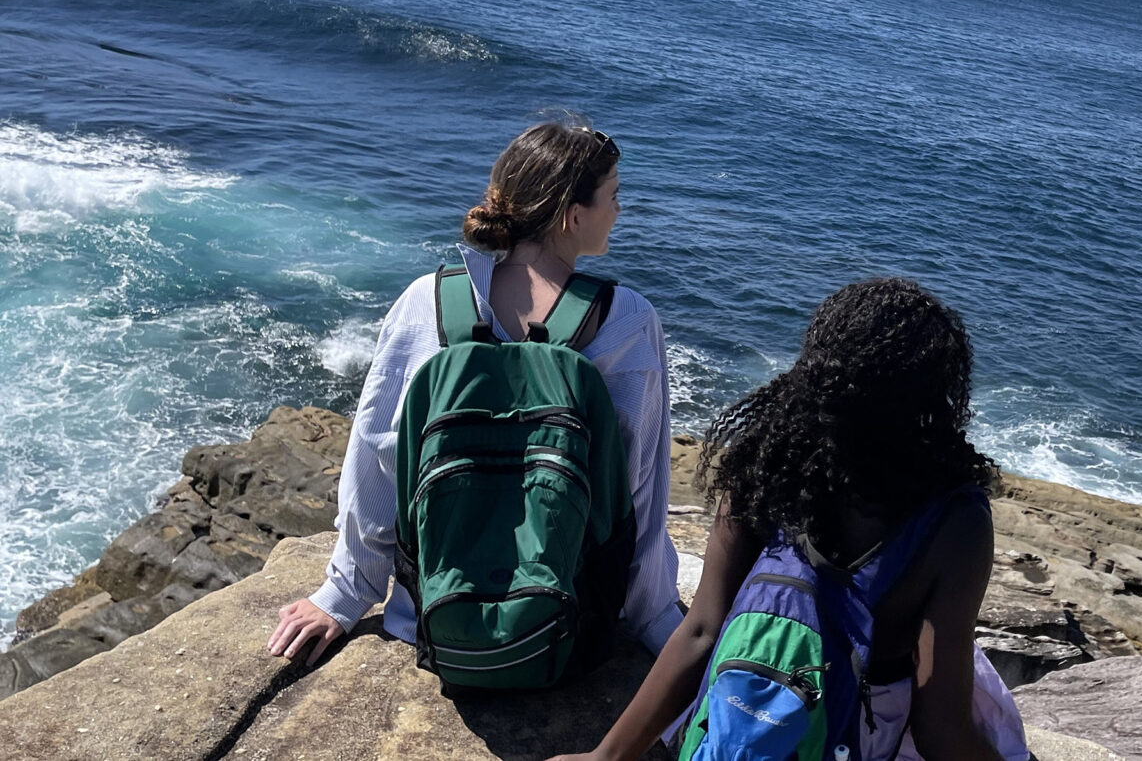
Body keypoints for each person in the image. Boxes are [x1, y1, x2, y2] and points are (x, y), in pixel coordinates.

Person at [548, 278, 1029, 761]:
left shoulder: (767, 465)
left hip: (748, 710)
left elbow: (700, 632)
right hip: (859, 731)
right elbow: (939, 731)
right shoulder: (955, 520)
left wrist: (605, 756)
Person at [268, 118, 682, 667]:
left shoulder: (426, 302)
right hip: (572, 624)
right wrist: (656, 618)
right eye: (614, 196)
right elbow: (639, 487)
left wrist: (346, 594)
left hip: (430, 621)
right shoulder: (627, 320)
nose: (619, 211)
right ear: (573, 215)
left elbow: (376, 453)